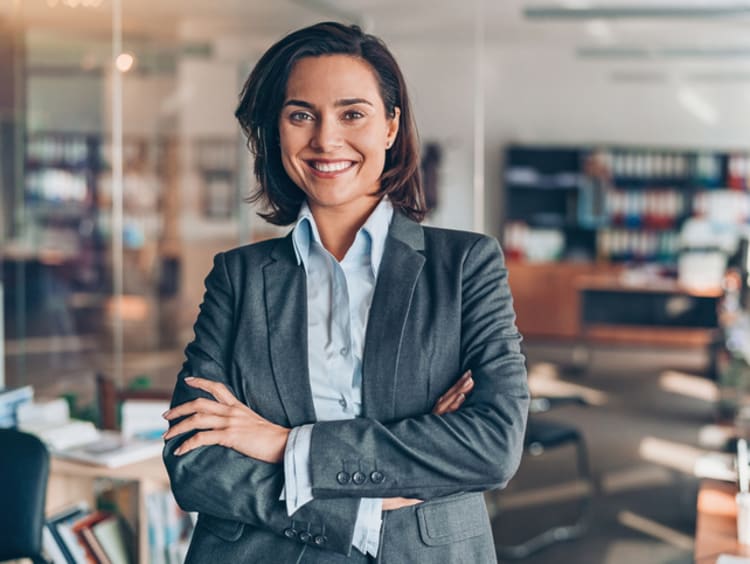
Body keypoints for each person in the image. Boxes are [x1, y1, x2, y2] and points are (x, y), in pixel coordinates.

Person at [162, 21, 528, 564]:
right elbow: (194, 463)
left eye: (352, 113)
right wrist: (365, 505)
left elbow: (493, 446)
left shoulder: (466, 266)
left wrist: (283, 445)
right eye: (301, 115)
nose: (325, 139)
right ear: (277, 130)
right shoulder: (238, 277)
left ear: (389, 127)